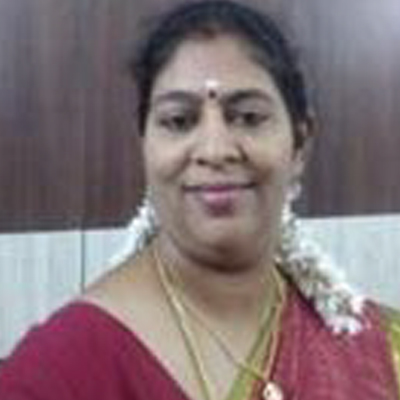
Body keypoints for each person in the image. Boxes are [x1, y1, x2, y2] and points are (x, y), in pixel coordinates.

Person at [0, 1, 399, 399]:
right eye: (179, 121)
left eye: (248, 117)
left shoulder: (377, 351)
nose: (214, 150)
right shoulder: (64, 370)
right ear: (145, 145)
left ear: (300, 143)